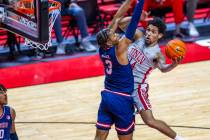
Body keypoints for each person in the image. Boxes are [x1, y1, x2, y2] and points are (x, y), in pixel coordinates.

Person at [118, 16, 186, 140]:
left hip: (137, 88)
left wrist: (173, 65)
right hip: (122, 84)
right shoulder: (138, 36)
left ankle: (180, 138)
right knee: (120, 119)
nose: (148, 33)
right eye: (148, 30)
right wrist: (137, 17)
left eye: (153, 32)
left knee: (149, 121)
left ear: (159, 36)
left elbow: (163, 68)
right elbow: (121, 24)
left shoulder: (157, 54)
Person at [94, 0, 145, 139]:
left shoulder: (102, 48)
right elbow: (134, 22)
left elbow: (116, 18)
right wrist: (140, 3)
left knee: (99, 137)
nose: (117, 34)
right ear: (109, 42)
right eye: (114, 35)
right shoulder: (120, 49)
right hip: (121, 99)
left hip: (107, 97)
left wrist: (129, 1)